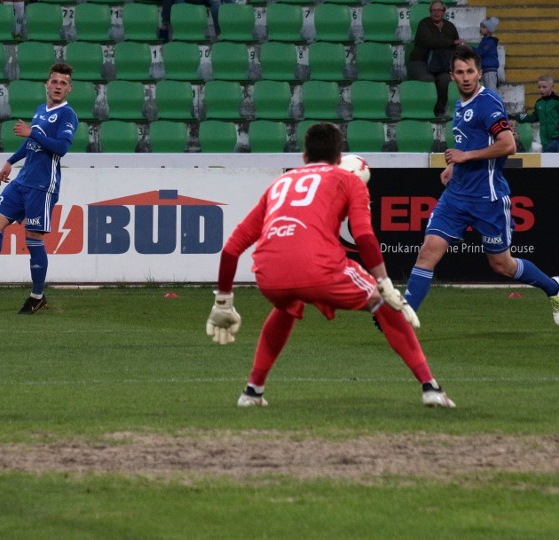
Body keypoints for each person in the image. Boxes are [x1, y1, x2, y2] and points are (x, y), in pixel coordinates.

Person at [206, 122, 455, 409]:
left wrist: (223, 301)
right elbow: (362, 235)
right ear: (339, 158)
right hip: (318, 266)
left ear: (303, 156)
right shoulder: (349, 180)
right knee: (384, 303)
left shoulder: (279, 184)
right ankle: (430, 387)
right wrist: (385, 284)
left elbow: (231, 248)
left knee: (287, 305)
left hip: (268, 272)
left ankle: (252, 392)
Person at [404, 47, 559, 325]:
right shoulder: (461, 105)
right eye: (460, 72)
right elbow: (470, 142)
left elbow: (508, 145)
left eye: (471, 72)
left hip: (488, 199)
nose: (466, 78)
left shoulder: (488, 102)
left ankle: (554, 289)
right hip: (456, 197)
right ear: (452, 76)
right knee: (427, 252)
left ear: (479, 73)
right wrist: (456, 166)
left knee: (502, 265)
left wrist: (465, 157)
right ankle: (404, 318)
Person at [0, 62, 78, 314]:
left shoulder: (68, 115)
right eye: (54, 81)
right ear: (47, 84)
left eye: (63, 83)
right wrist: (10, 161)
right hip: (22, 181)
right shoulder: (40, 110)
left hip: (42, 186)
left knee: (33, 239)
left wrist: (31, 132)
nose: (58, 86)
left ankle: (37, 295)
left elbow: (61, 148)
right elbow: (31, 145)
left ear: (69, 89)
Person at [406, 1, 467, 118]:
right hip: (420, 61)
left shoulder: (450, 27)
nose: (436, 13)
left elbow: (455, 46)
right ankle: (423, 110)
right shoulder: (424, 24)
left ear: (444, 12)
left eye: (439, 10)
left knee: (445, 79)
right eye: (433, 10)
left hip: (441, 63)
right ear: (430, 12)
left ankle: (438, 111)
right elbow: (430, 42)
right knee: (428, 79)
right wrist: (451, 42)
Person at [515, 74, 559, 153]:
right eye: (539, 87)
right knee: (548, 163)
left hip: (556, 138)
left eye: (544, 87)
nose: (541, 89)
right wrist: (521, 117)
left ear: (552, 87)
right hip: (545, 140)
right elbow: (534, 117)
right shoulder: (539, 103)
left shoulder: (556, 101)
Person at [475, 17, 500, 92]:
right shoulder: (485, 41)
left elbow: (480, 52)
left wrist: (469, 48)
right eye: (481, 27)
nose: (481, 29)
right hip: (485, 70)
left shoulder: (489, 42)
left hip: (490, 71)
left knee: (491, 92)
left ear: (489, 30)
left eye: (483, 27)